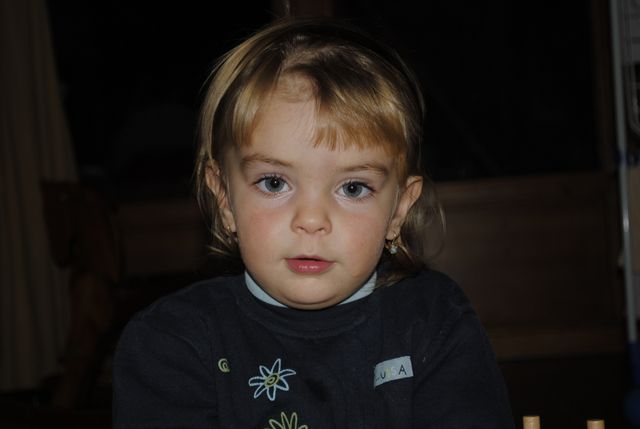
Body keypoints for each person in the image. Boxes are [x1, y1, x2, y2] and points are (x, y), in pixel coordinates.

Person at [112, 17, 515, 428]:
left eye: (353, 188)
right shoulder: (172, 343)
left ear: (398, 210)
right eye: (274, 183)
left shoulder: (435, 320)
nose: (311, 220)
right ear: (225, 199)